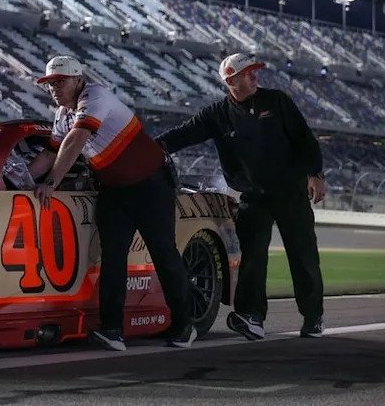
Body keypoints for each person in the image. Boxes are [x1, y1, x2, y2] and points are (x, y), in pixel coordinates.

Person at [29, 55, 195, 351]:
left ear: (78, 80)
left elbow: (76, 140)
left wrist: (51, 182)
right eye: (50, 84)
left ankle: (185, 323)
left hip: (150, 184)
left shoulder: (96, 96)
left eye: (60, 81)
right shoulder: (62, 114)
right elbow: (49, 154)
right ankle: (112, 329)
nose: (54, 88)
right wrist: (22, 182)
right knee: (112, 258)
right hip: (115, 188)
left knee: (163, 253)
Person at [156, 52, 326, 339]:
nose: (255, 75)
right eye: (248, 72)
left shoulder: (277, 101)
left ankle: (313, 317)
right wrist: (149, 147)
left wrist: (316, 174)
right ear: (231, 80)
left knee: (303, 255)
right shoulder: (217, 114)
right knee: (252, 256)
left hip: (290, 191)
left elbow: (304, 138)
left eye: (255, 71)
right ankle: (251, 317)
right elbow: (183, 134)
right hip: (252, 195)